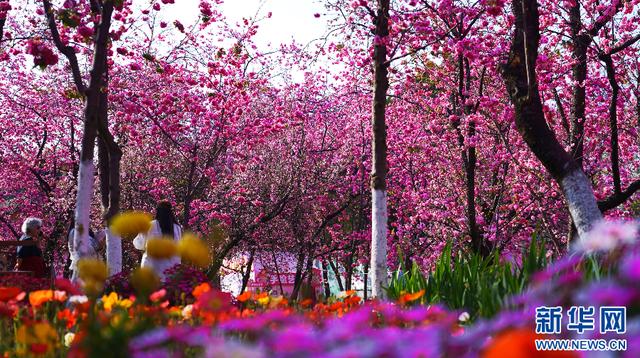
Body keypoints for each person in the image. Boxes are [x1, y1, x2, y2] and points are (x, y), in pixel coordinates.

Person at [133, 201, 182, 281]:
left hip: (151, 270)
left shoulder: (150, 225)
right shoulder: (177, 228)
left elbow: (138, 244)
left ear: (158, 212)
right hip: (171, 271)